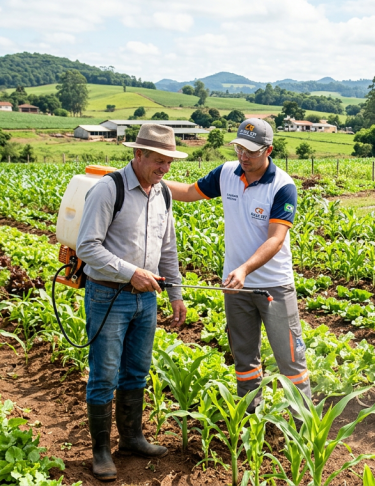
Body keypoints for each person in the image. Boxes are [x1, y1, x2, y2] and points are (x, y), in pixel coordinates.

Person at [164, 118, 313, 411]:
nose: (243, 156)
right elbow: (188, 192)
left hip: (273, 287)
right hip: (236, 287)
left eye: (251, 151)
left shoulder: (283, 186)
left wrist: (245, 269)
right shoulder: (227, 173)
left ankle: (303, 427)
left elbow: (276, 239)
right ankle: (249, 419)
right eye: (239, 149)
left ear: (268, 150)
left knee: (290, 360)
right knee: (244, 359)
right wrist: (146, 178)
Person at [76, 123, 187, 481]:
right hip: (108, 295)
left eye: (169, 162)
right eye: (159, 161)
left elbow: (167, 248)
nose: (165, 169)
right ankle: (100, 452)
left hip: (147, 300)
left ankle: (132, 438)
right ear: (138, 154)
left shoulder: (163, 194)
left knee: (136, 372)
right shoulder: (109, 190)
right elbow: (87, 247)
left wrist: (176, 293)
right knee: (104, 376)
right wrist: (130, 272)